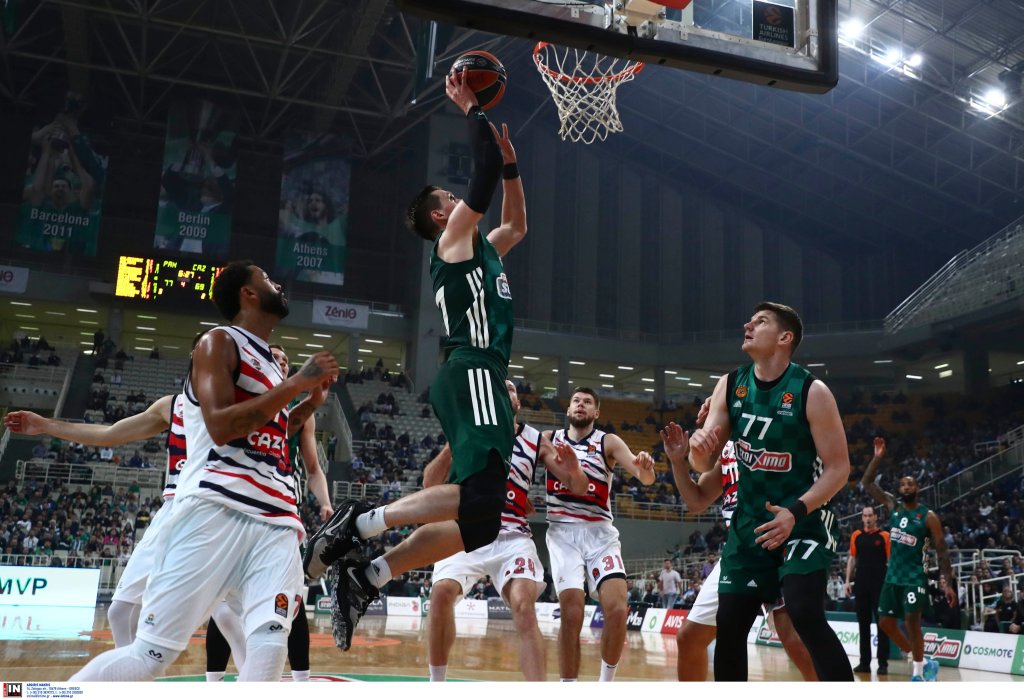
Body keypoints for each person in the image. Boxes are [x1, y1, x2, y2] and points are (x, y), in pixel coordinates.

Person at [301, 68, 527, 652]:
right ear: (440, 218)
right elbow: (479, 178)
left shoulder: (483, 249)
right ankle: (358, 523)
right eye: (448, 199)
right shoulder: (452, 242)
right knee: (481, 499)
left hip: (476, 373)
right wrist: (471, 109)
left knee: (481, 523)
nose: (456, 199)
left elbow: (516, 224)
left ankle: (369, 575)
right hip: (475, 368)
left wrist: (511, 167)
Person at [69, 260, 338, 681]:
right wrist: (296, 384)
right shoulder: (218, 342)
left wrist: (308, 402)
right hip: (217, 508)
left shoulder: (272, 364)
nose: (278, 283)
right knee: (149, 656)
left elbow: (269, 431)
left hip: (278, 518)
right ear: (248, 294)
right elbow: (222, 426)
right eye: (268, 279)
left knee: (269, 647)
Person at [687, 302, 854, 681]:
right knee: (730, 621)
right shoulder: (730, 384)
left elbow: (839, 469)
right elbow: (703, 462)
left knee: (804, 612)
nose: (747, 325)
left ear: (784, 337)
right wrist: (696, 449)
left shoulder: (812, 391)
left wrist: (794, 512)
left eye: (760, 322)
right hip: (750, 524)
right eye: (749, 320)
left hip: (803, 519)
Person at [424, 380, 586, 681]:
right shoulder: (468, 431)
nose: (505, 390)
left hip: (513, 536)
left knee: (524, 606)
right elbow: (429, 485)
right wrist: (452, 444)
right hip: (466, 530)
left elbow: (578, 486)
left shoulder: (535, 439)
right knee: (441, 594)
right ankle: (436, 683)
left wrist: (575, 469)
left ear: (518, 404)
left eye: (511, 389)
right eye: (500, 387)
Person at [4, 393, 185, 647]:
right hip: (175, 507)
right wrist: (46, 425)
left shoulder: (240, 406)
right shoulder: (173, 405)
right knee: (121, 612)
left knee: (228, 614)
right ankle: (135, 670)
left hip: (226, 509)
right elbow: (108, 434)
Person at [203, 343, 335, 682]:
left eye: (287, 360)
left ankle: (299, 681)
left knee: (292, 602)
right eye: (275, 357)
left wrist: (325, 502)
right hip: (235, 509)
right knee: (223, 603)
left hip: (280, 514)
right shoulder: (241, 399)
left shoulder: (297, 414)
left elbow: (314, 469)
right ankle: (216, 682)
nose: (282, 362)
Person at [660, 408, 816, 682]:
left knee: (794, 639)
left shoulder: (770, 432)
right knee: (689, 638)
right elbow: (697, 500)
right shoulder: (728, 451)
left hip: (778, 542)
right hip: (738, 548)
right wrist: (677, 461)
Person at [546, 387, 656, 682]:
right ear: (568, 409)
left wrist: (646, 468)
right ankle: (568, 685)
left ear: (597, 412)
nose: (580, 405)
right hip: (563, 532)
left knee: (618, 610)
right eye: (576, 401)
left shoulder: (608, 441)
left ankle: (605, 684)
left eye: (587, 402)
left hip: (600, 534)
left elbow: (645, 477)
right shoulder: (549, 439)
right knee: (571, 613)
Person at [862, 448, 956, 681]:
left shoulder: (928, 516)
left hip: (915, 577)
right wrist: (877, 458)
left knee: (911, 622)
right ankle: (921, 659)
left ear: (917, 488)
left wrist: (947, 583)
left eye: (910, 484)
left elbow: (942, 551)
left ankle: (918, 674)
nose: (906, 487)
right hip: (892, 576)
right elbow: (867, 483)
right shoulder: (892, 507)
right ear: (898, 490)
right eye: (903, 484)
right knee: (885, 623)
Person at [845, 453, 891, 675]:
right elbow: (852, 558)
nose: (867, 518)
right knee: (862, 624)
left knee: (882, 623)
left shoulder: (884, 536)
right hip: (861, 583)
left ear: (875, 517)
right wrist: (847, 580)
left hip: (880, 584)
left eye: (870, 515)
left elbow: (890, 561)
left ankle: (883, 663)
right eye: (864, 515)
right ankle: (864, 662)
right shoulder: (856, 536)